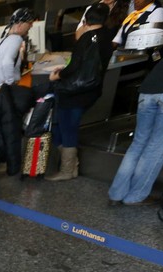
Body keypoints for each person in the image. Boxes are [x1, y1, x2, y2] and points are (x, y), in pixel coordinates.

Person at [108, 18, 163, 206]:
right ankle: (136, 197)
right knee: (156, 147)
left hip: (150, 87)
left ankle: (116, 194)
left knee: (138, 143)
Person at [47, 4, 115, 182]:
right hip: (91, 90)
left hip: (73, 91)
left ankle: (67, 170)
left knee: (66, 127)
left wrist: (58, 75)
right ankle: (72, 166)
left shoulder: (86, 39)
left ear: (85, 21)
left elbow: (74, 66)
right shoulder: (107, 38)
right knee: (69, 125)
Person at [0, 9, 36, 89]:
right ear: (20, 24)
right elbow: (7, 62)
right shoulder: (16, 39)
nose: (31, 26)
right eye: (30, 23)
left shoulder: (0, 41)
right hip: (4, 89)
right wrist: (10, 83)